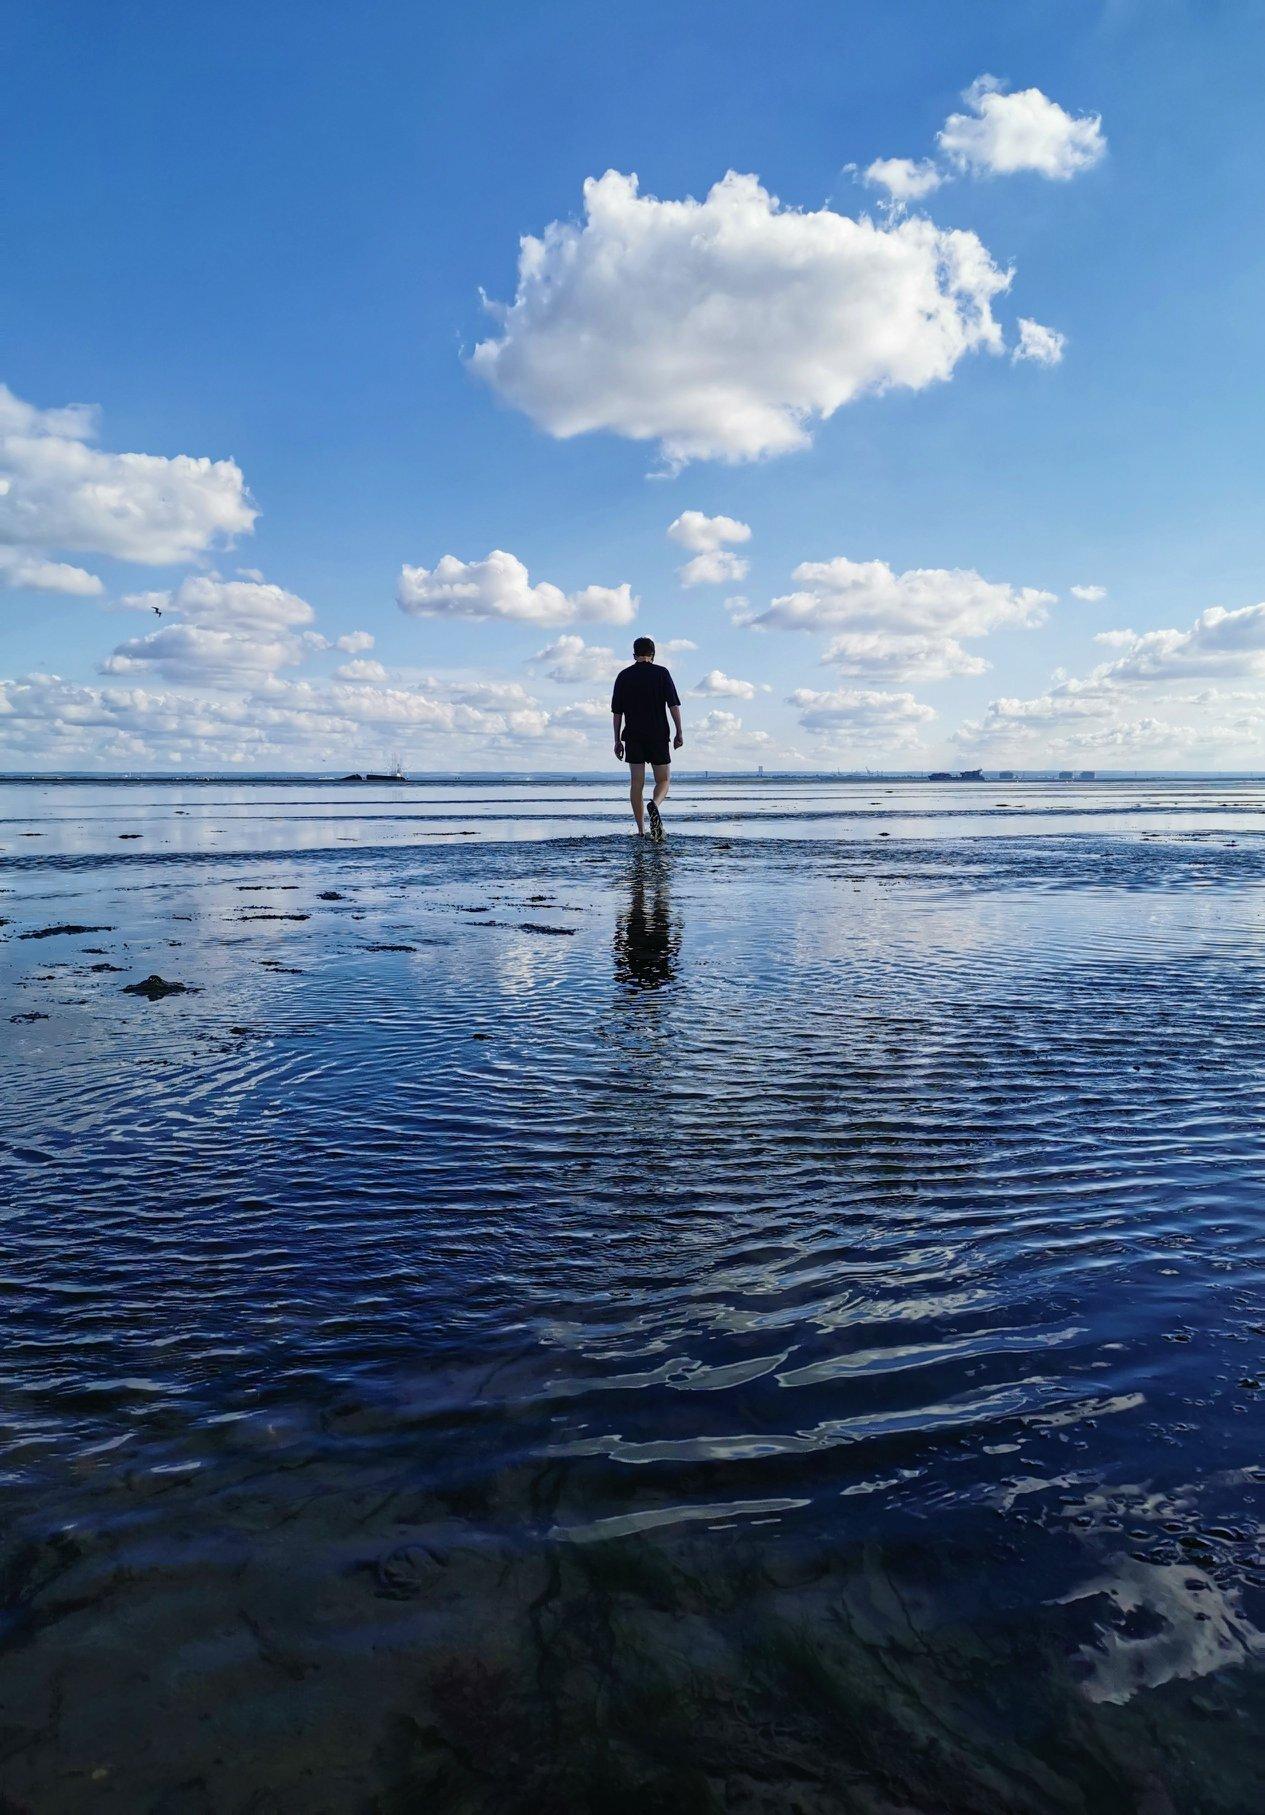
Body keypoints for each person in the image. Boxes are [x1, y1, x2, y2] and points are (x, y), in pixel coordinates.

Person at [611, 637, 683, 839]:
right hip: (659, 734)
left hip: (633, 736)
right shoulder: (662, 673)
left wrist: (617, 740)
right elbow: (673, 705)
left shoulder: (624, 676)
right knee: (663, 779)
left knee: (636, 783)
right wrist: (679, 732)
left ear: (634, 654)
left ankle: (642, 831)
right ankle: (655, 804)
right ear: (653, 654)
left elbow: (617, 713)